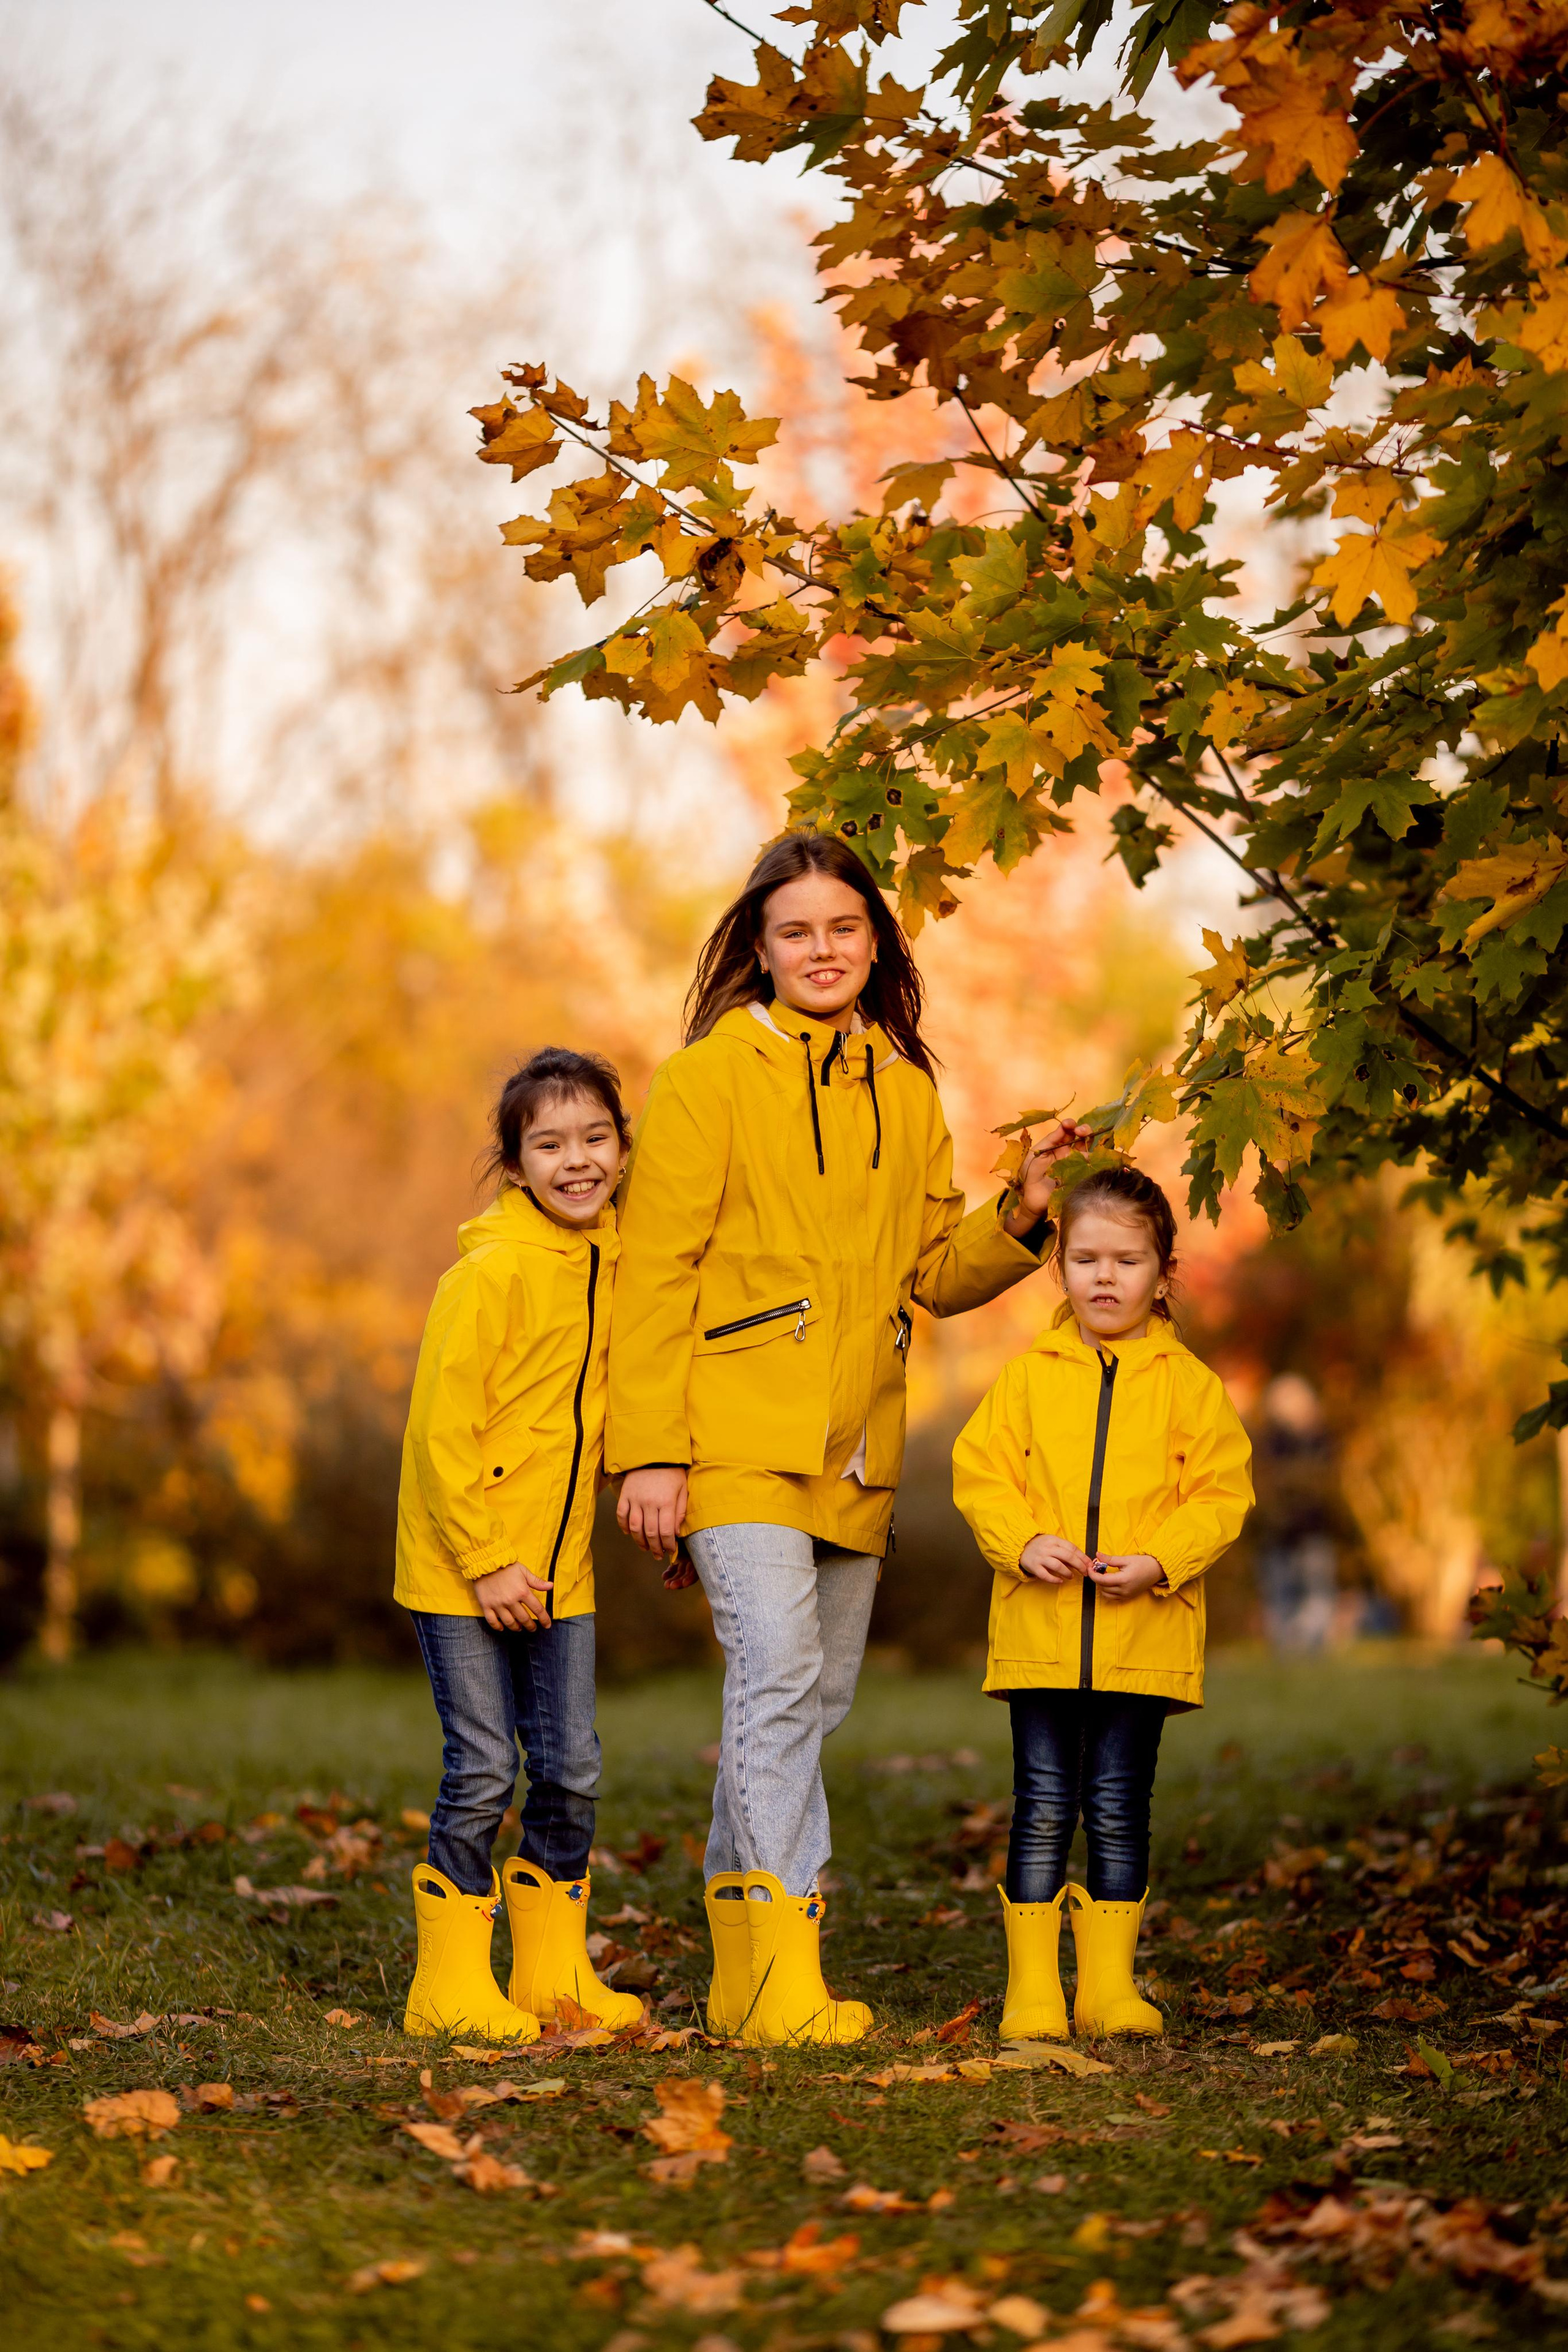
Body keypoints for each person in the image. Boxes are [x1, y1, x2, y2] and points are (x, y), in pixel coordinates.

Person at [608, 831, 1076, 2046]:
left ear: (876, 942)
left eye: (844, 928)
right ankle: (784, 1974)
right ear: (756, 949)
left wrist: (1020, 1214)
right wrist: (649, 1452)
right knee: (773, 1675)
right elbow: (655, 1274)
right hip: (729, 1436)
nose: (822, 950)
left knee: (811, 1701)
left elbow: (932, 1269)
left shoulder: (905, 1089)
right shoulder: (707, 1079)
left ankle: (736, 1968)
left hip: (854, 1449)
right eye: (796, 931)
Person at [952, 1165, 1253, 2042]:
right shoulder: (1028, 1377)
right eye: (1086, 1258)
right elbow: (983, 1475)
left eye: (1127, 1259)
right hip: (1041, 1634)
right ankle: (1035, 1991)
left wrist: (1162, 1560)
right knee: (1044, 1802)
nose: (1106, 1277)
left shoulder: (1188, 1385)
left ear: (1163, 1271)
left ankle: (1110, 1988)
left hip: (1143, 1635)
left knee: (1120, 1805)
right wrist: (1024, 1543)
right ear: (1061, 1266)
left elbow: (1222, 1494)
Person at [394, 1048, 645, 2043]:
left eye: (594, 1138)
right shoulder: (489, 1274)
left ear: (623, 1150)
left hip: (562, 1566)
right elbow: (440, 1437)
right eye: (549, 1144)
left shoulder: (620, 1266)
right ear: (514, 1164)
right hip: (463, 1565)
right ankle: (447, 1985)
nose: (576, 1160)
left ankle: (550, 1976)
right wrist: (490, 1560)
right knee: (484, 1768)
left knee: (573, 1765)